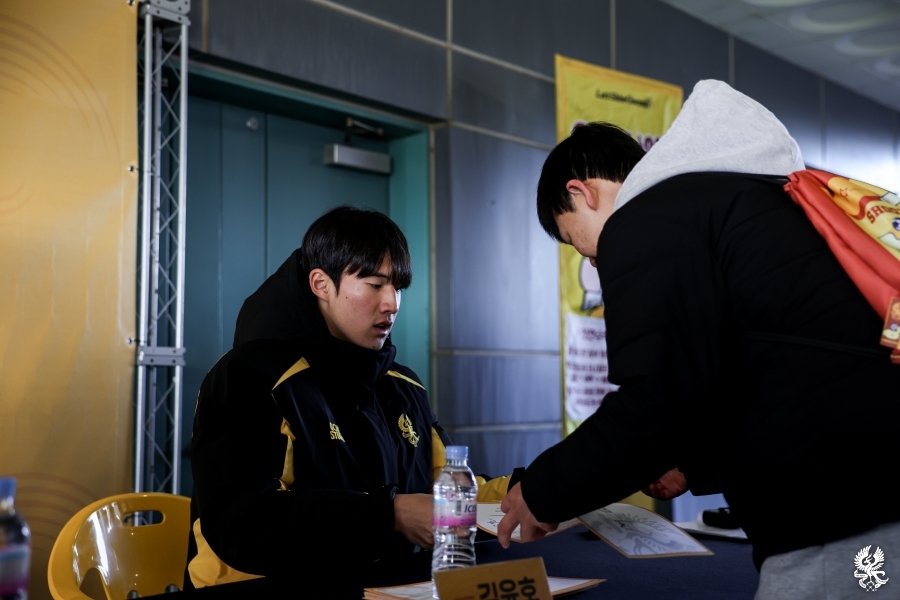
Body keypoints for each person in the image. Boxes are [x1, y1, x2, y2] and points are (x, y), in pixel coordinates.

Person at [498, 81, 900, 597]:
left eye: (580, 243)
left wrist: (542, 491)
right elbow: (752, 366)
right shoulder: (735, 201)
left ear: (582, 192)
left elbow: (653, 403)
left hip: (839, 507)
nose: (594, 263)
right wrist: (690, 464)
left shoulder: (648, 220)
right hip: (875, 486)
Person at [185, 206, 513, 589]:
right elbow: (244, 522)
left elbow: (448, 487)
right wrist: (389, 515)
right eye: (375, 285)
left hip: (381, 586)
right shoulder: (249, 376)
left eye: (398, 287)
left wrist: (525, 493)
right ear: (321, 285)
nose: (392, 303)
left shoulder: (403, 385)